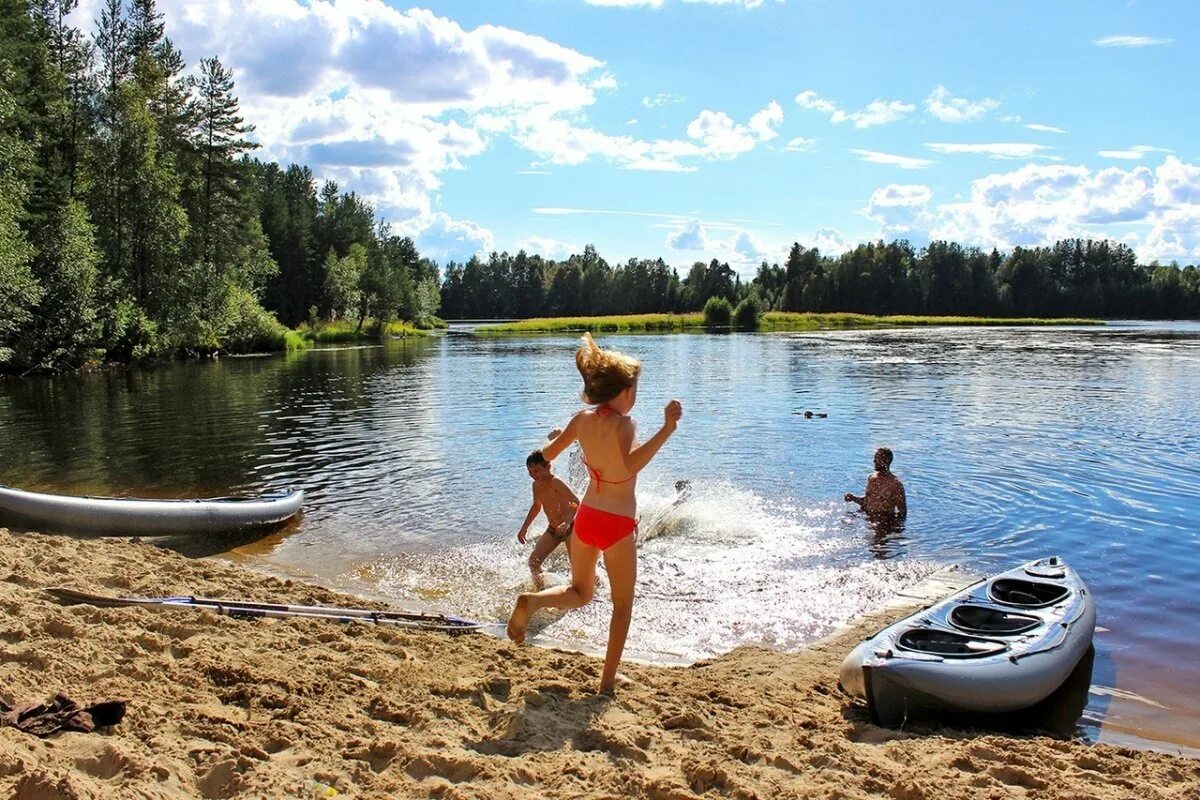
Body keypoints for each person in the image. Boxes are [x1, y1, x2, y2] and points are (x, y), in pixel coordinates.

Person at [507, 333, 683, 693]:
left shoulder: (581, 420)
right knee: (621, 605)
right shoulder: (625, 425)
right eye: (634, 389)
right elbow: (628, 467)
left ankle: (533, 602)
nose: (635, 395)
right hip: (616, 523)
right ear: (623, 392)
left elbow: (546, 455)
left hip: (586, 517)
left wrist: (558, 437)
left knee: (580, 591)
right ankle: (606, 683)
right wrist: (667, 429)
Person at [517, 450, 580, 590]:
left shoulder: (555, 482)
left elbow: (575, 501)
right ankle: (542, 590)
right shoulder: (536, 485)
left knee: (577, 568)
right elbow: (536, 506)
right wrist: (524, 528)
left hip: (570, 528)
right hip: (553, 530)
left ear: (548, 467)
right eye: (530, 471)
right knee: (533, 561)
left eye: (536, 471)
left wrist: (567, 522)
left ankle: (594, 587)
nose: (533, 475)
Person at [845, 447, 907, 520]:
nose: (874, 461)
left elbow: (902, 512)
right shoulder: (872, 479)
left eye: (877, 458)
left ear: (886, 461)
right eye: (875, 458)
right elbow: (868, 501)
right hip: (868, 518)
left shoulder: (895, 485)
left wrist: (896, 529)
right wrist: (853, 498)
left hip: (884, 521)